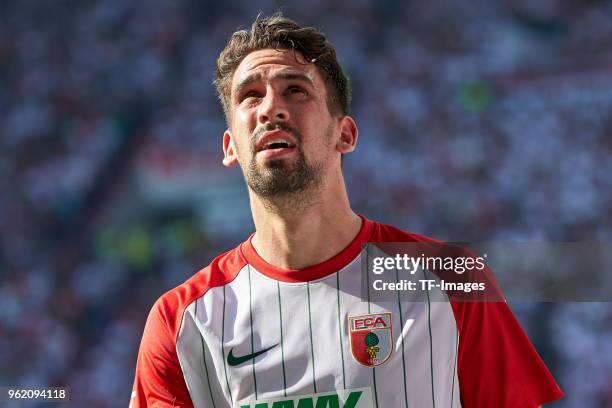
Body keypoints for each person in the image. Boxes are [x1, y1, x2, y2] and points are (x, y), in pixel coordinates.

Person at [130, 13, 564, 408]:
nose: (269, 108)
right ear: (230, 147)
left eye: (295, 90)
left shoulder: (452, 279)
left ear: (346, 134)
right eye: (249, 96)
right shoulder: (182, 321)